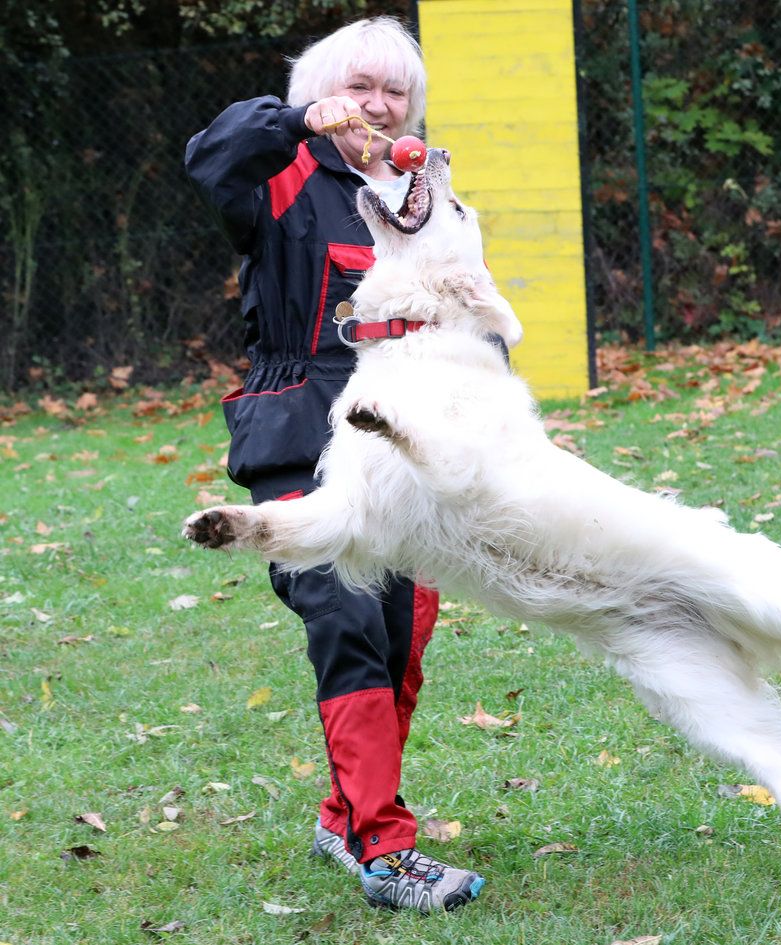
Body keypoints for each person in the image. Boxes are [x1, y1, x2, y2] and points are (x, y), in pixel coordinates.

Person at [184, 16, 484, 914]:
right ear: (321, 93)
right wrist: (296, 122)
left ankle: (342, 813)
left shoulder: (421, 191)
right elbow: (210, 158)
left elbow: (466, 313)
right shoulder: (277, 172)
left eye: (394, 91)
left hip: (406, 436)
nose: (378, 105)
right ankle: (386, 850)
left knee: (403, 630)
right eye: (359, 86)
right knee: (341, 608)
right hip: (300, 431)